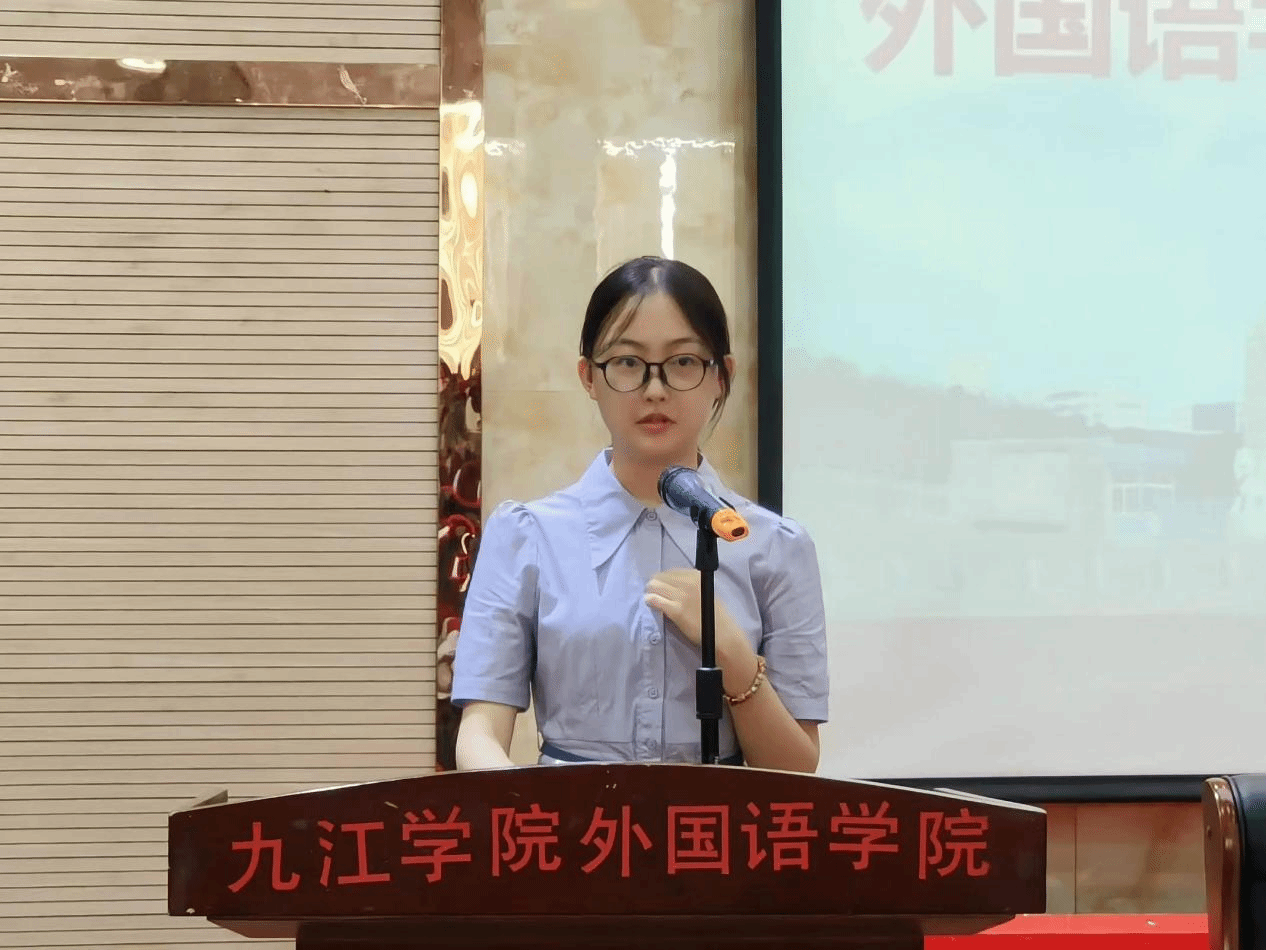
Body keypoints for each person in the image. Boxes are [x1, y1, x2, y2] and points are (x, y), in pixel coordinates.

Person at [451, 256, 829, 772]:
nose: (655, 389)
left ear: (722, 376)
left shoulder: (777, 547)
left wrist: (734, 655)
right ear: (589, 377)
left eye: (683, 361)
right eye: (628, 363)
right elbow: (478, 735)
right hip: (572, 820)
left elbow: (795, 770)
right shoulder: (527, 536)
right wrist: (529, 808)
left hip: (712, 824)